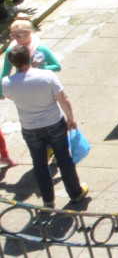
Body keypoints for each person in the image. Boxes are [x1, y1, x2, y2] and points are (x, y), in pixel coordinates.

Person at [2, 45, 87, 208]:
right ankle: (75, 193)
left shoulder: (7, 83)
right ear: (30, 58)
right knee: (64, 159)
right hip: (54, 123)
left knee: (39, 163)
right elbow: (63, 99)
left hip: (30, 128)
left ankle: (48, 199)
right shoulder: (46, 75)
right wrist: (71, 118)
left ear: (12, 63)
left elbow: (10, 97)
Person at [1, 16, 61, 166]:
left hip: (43, 87)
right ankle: (49, 148)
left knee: (49, 116)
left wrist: (39, 68)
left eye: (18, 35)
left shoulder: (40, 48)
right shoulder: (12, 50)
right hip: (24, 89)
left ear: (29, 33)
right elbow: (5, 72)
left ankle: (54, 149)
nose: (14, 39)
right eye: (12, 35)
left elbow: (57, 66)